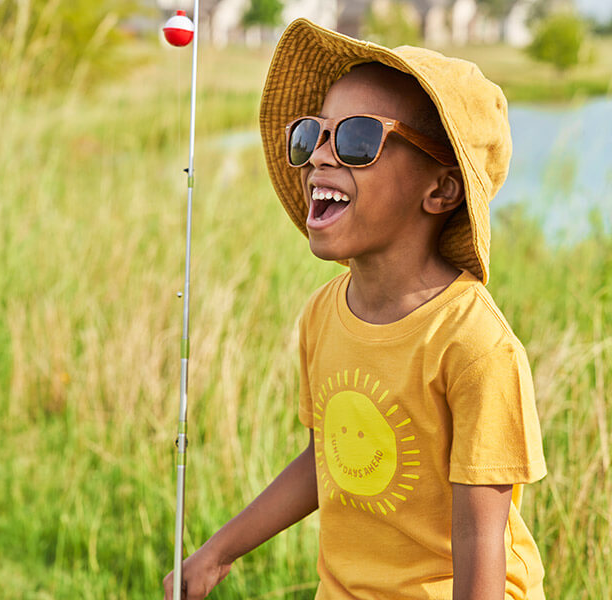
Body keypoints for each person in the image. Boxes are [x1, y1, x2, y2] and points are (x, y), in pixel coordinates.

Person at [163, 18, 547, 600]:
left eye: (358, 139)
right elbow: (330, 454)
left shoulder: (474, 346)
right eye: (314, 134)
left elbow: (479, 537)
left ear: (441, 190)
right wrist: (216, 554)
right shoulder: (323, 313)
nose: (319, 156)